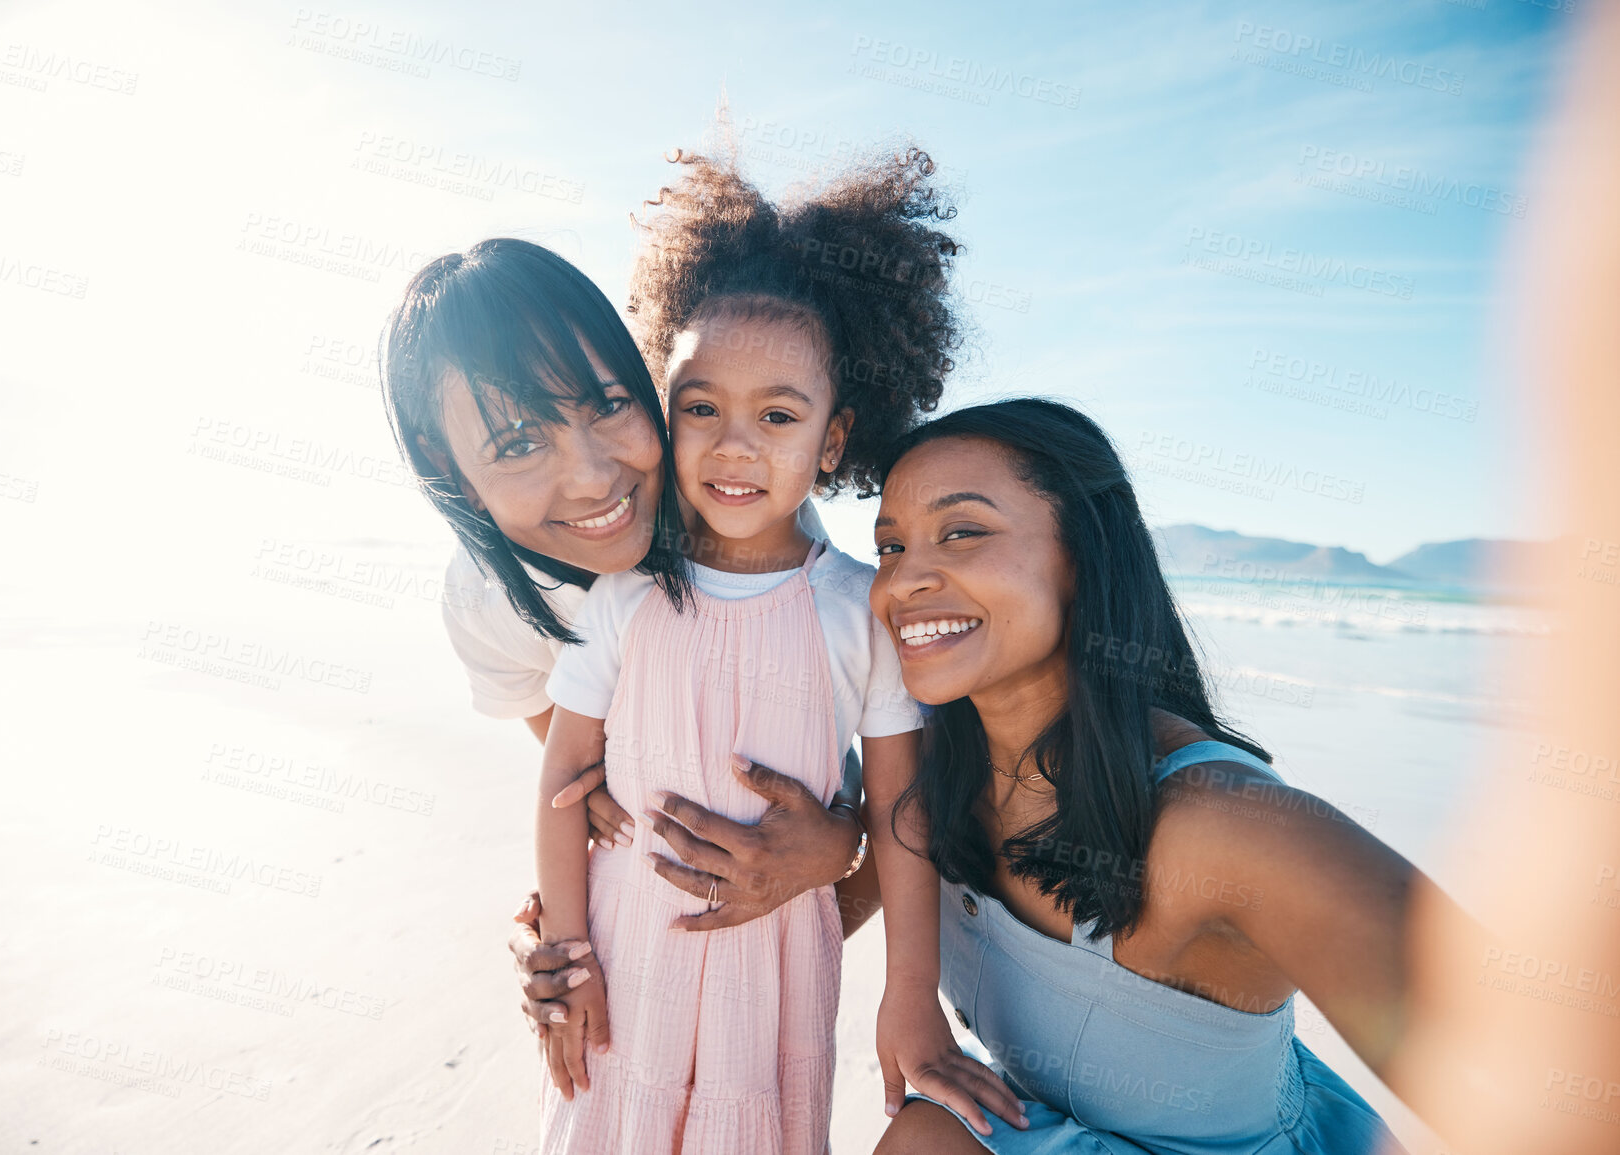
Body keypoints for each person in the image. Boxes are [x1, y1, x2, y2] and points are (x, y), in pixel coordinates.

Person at [531, 145, 960, 1154]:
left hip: (771, 995)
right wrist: (564, 951)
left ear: (835, 439)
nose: (735, 445)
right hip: (625, 971)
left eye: (778, 416)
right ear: (661, 409)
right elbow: (560, 775)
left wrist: (910, 993)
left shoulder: (857, 609)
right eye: (701, 408)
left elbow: (903, 813)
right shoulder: (628, 592)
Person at [868, 399, 1421, 1154]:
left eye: (961, 531)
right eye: (889, 546)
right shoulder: (925, 774)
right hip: (1062, 1132)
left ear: (1084, 554)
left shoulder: (1223, 826)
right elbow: (885, 843)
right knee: (926, 1137)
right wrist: (829, 844)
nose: (903, 581)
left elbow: (1527, 1056)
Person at [379, 237, 876, 1043]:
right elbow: (586, 795)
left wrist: (841, 846)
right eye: (516, 443)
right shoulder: (486, 604)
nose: (592, 477)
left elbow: (858, 782)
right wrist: (561, 947)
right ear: (447, 463)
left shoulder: (742, 522)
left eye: (608, 404)